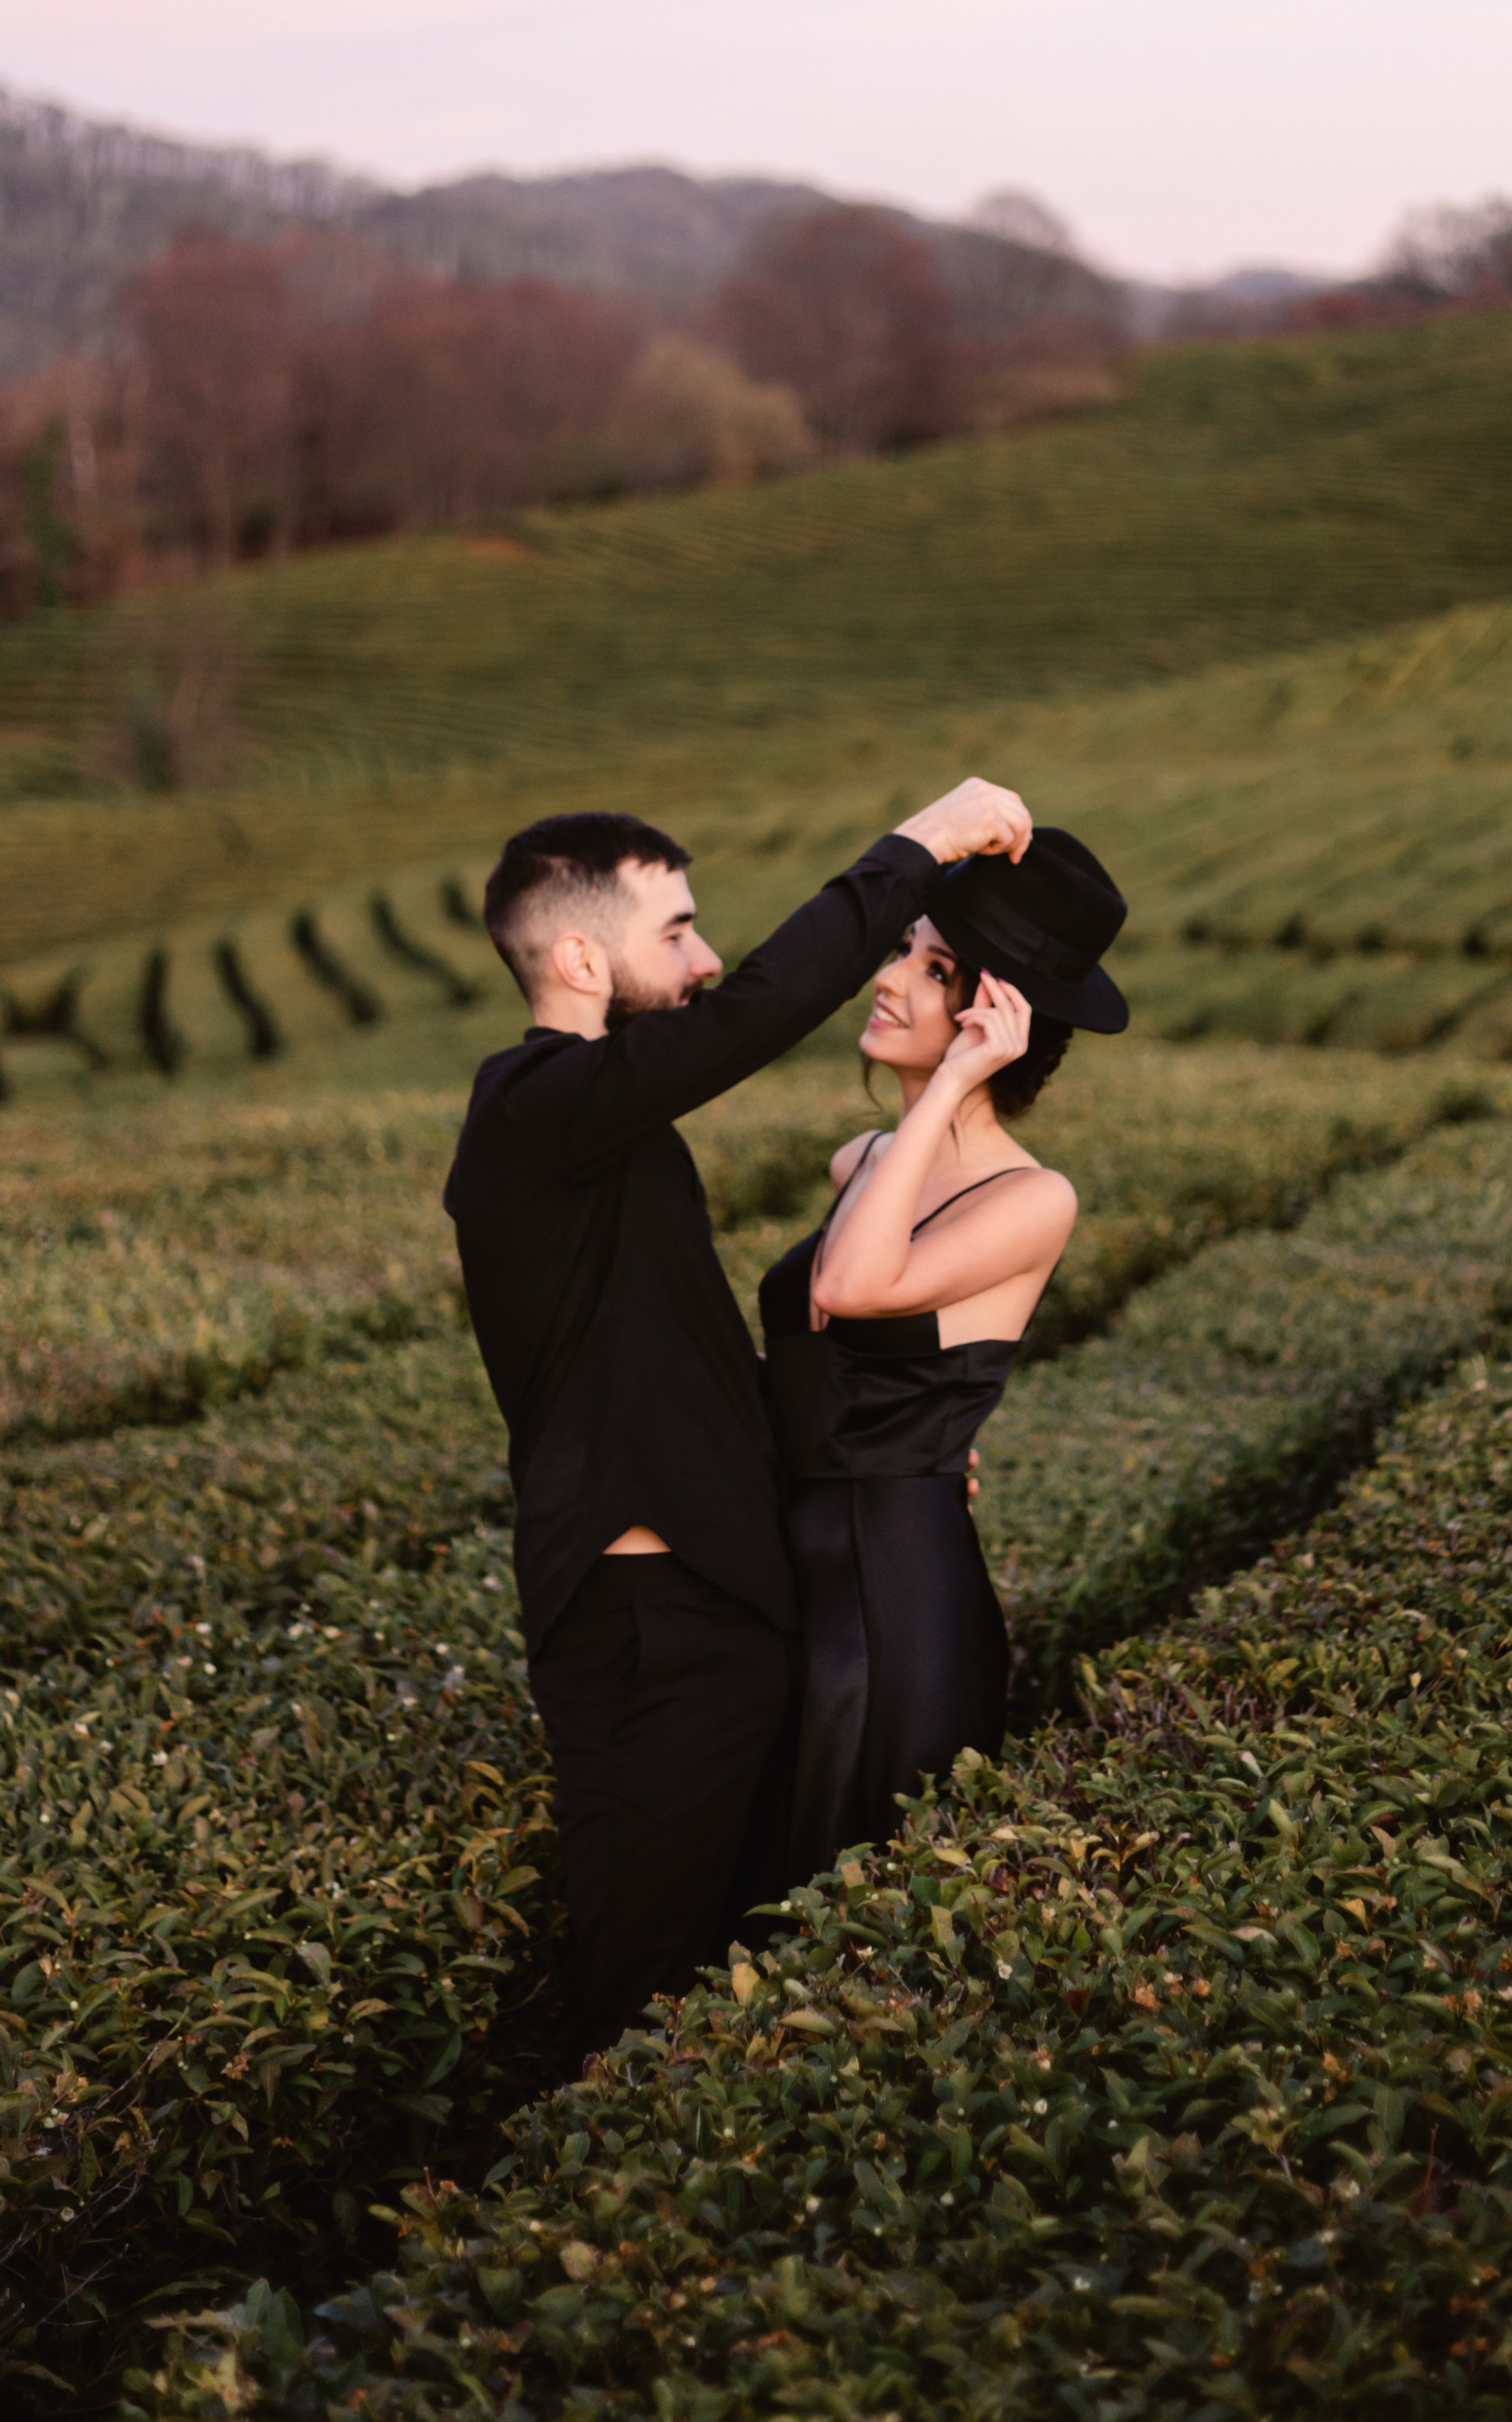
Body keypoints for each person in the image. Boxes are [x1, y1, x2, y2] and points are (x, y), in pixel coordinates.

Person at [445, 776, 1033, 2068]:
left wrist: (890, 1442)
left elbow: (687, 1367)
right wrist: (925, 843)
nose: (707, 959)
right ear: (582, 956)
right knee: (643, 1985)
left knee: (719, 1970)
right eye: (679, 931)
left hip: (712, 1601)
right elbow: (761, 1012)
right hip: (653, 1615)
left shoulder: (602, 1133)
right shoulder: (539, 1104)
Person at [759, 826, 1128, 1885]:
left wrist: (957, 1083)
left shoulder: (1032, 1199)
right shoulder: (860, 1161)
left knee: (850, 1889)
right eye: (900, 952)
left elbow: (850, 1289)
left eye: (933, 969)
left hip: (896, 1586)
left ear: (993, 1014)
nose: (888, 982)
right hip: (787, 1559)